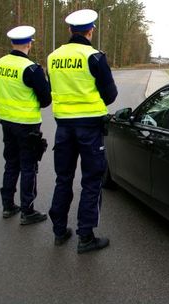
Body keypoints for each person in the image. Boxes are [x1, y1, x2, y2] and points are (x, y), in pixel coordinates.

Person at [47, 9, 117, 253]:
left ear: (69, 30)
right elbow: (110, 94)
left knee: (63, 178)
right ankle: (85, 237)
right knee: (91, 180)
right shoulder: (94, 57)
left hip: (63, 127)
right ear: (91, 30)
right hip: (89, 128)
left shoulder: (52, 57)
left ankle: (59, 231)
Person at [0, 25, 51, 225]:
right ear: (29, 43)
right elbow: (45, 100)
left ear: (12, 43)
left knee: (11, 163)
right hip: (27, 124)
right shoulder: (32, 69)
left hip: (6, 121)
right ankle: (28, 210)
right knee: (29, 166)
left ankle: (8, 205)